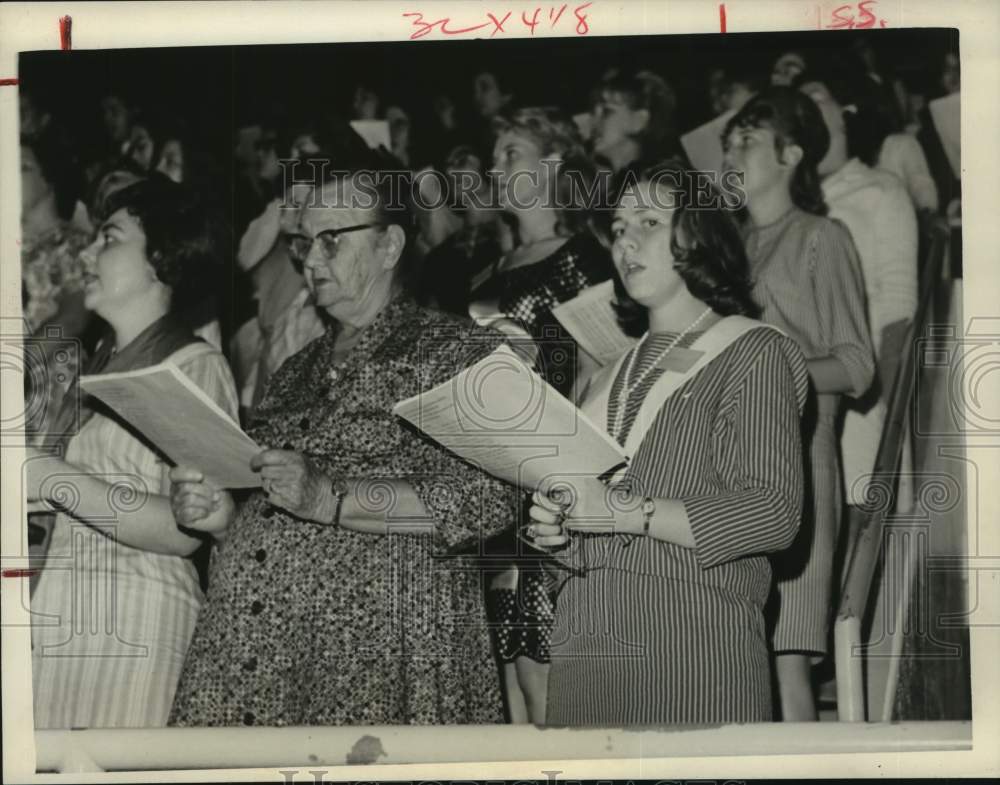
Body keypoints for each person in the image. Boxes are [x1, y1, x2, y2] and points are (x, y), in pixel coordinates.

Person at [167, 164, 519, 726]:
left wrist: (334, 497)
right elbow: (279, 506)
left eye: (331, 238)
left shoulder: (452, 349)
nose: (309, 259)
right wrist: (223, 519)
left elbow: (486, 501)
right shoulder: (295, 369)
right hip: (257, 658)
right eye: (304, 242)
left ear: (389, 245)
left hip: (375, 658)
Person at [524, 160, 809, 724]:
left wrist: (625, 510)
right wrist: (556, 540)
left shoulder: (751, 351)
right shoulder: (602, 379)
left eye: (649, 221)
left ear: (696, 234)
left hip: (692, 638)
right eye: (620, 226)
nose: (627, 239)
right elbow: (585, 546)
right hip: (585, 650)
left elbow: (773, 513)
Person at [27, 175, 238, 728]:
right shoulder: (90, 364)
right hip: (62, 613)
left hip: (137, 616)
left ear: (160, 261)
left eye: (110, 238)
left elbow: (181, 528)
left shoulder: (192, 364)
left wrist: (49, 477)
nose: (90, 251)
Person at [723, 87, 875, 721]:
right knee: (740, 659)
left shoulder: (821, 237)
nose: (730, 156)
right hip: (730, 469)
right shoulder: (726, 248)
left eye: (747, 143)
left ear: (790, 153)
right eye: (727, 145)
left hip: (799, 469)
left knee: (787, 666)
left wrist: (768, 373)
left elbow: (858, 366)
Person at [468, 106, 612, 724]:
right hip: (489, 468)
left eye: (512, 152)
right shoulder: (485, 268)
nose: (497, 166)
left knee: (543, 661)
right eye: (495, 154)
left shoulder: (585, 256)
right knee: (502, 660)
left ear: (553, 164)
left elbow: (602, 361)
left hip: (550, 468)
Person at [797, 68, 919, 513]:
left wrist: (888, 416)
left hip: (862, 401)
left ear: (846, 113)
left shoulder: (880, 188)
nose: (805, 109)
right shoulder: (783, 205)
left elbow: (898, 310)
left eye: (816, 95)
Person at [589, 68, 681, 174]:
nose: (594, 121)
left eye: (607, 112)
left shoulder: (653, 184)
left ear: (639, 121)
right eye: (593, 113)